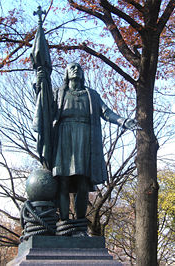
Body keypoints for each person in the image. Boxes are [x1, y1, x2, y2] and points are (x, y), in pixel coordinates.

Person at [51, 62, 138, 226]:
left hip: (85, 138)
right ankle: (64, 222)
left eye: (78, 67)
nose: (75, 69)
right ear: (66, 74)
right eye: (71, 67)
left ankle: (80, 222)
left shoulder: (92, 94)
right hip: (63, 136)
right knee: (62, 179)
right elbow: (45, 109)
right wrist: (39, 88)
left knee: (83, 181)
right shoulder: (58, 93)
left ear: (83, 74)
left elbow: (107, 113)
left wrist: (124, 121)